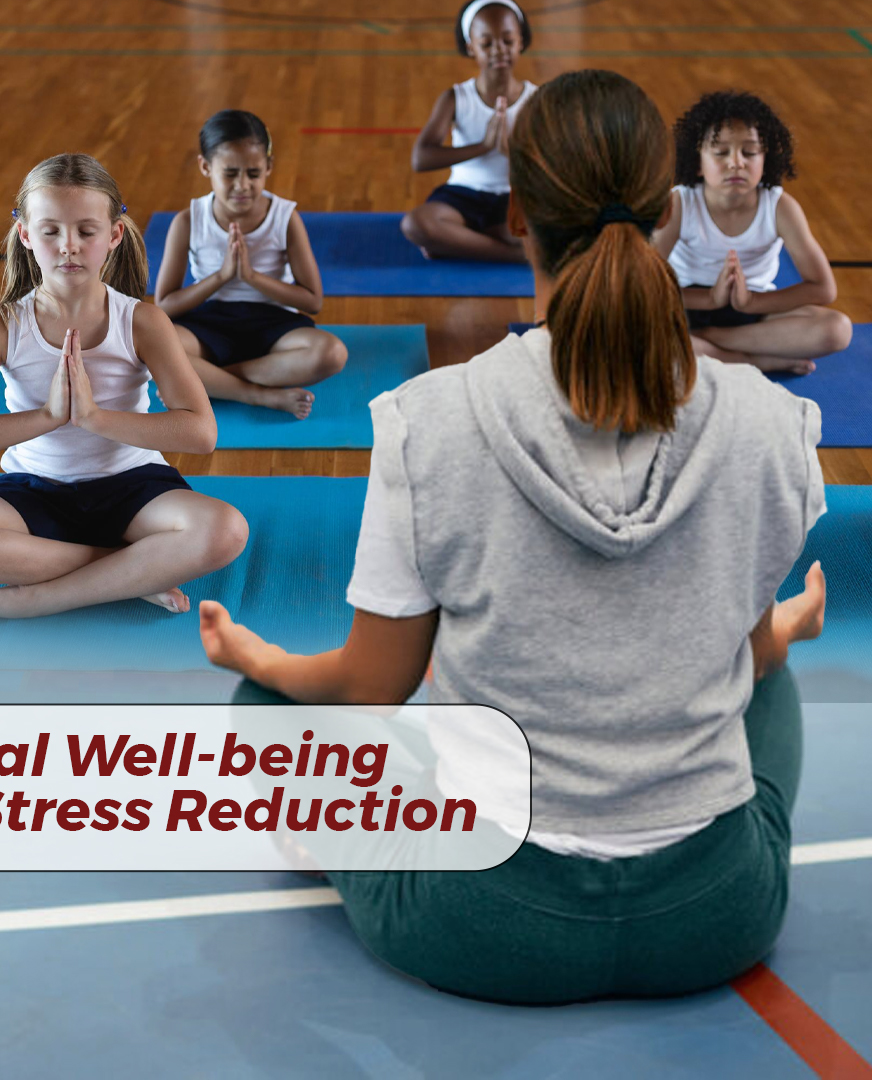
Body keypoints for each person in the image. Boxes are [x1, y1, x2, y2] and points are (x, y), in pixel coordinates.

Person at [198, 71, 829, 1004]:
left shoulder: (428, 418)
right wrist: (780, 634)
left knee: (266, 704)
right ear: (666, 215)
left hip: (483, 924)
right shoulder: (770, 423)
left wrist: (264, 658)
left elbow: (376, 683)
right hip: (715, 915)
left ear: (521, 215)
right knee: (769, 670)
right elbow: (732, 654)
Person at [0, 153, 248, 622]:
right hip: (34, 489)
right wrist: (48, 417)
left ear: (114, 235)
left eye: (86, 231)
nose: (69, 246)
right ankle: (128, 572)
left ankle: (38, 597)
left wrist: (95, 419)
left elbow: (201, 434)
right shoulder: (2, 325)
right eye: (51, 231)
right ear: (25, 235)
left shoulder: (142, 321)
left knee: (225, 529)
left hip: (134, 488)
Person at [155, 110, 348, 420]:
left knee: (332, 353)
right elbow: (164, 305)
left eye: (254, 174)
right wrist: (222, 276)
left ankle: (206, 382)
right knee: (160, 347)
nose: (242, 185)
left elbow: (312, 301)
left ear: (268, 167)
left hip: (272, 324)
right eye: (230, 173)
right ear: (206, 167)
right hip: (209, 321)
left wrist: (252, 276)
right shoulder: (188, 221)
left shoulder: (285, 218)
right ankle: (259, 395)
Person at [653, 90, 852, 375]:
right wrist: (709, 299)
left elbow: (823, 287)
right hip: (684, 306)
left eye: (749, 152)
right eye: (721, 152)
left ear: (765, 159)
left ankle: (715, 346)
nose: (736, 162)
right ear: (697, 162)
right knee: (631, 329)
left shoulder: (780, 206)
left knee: (837, 330)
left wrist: (751, 302)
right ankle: (753, 362)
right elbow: (643, 282)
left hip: (755, 311)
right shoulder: (680, 203)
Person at [400, 0, 537, 261]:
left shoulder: (537, 99)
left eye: (508, 41)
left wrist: (515, 153)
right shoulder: (456, 97)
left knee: (541, 228)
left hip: (514, 195)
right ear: (470, 47)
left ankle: (461, 242)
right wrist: (484, 146)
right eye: (487, 44)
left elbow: (557, 166)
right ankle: (513, 255)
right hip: (463, 193)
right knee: (416, 224)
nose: (499, 50)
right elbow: (421, 159)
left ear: (521, 41)